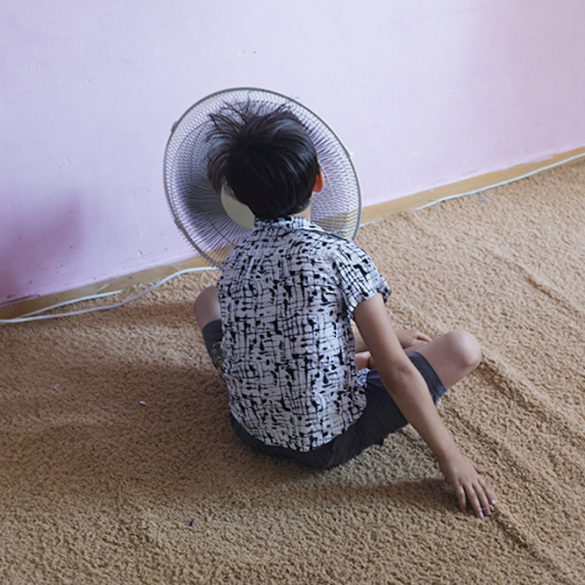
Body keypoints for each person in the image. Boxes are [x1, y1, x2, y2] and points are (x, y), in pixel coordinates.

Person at [194, 100, 496, 519]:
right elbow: (397, 372)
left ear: (238, 197)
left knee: (207, 299)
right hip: (326, 443)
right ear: (319, 180)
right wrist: (451, 457)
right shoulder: (341, 256)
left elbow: (281, 329)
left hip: (247, 430)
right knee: (462, 347)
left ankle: (356, 357)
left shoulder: (236, 259)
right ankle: (361, 359)